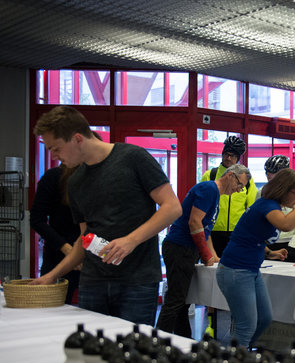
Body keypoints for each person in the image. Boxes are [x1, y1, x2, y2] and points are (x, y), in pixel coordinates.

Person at [31, 106, 182, 324]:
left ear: (77, 138)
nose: (53, 156)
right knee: (93, 352)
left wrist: (130, 241)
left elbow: (172, 207)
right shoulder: (74, 182)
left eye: (55, 148)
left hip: (136, 280)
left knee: (133, 351)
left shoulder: (134, 158)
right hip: (93, 281)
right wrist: (51, 276)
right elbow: (85, 239)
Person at [216, 169, 295, 347]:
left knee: (264, 319)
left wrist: (270, 253)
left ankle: (241, 354)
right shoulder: (267, 205)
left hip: (249, 271)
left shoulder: (270, 206)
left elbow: (253, 236)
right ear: (284, 190)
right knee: (246, 326)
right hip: (236, 270)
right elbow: (286, 225)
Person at [155, 165, 248, 337]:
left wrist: (212, 255)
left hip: (185, 249)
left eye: (242, 187)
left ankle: (183, 339)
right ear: (230, 176)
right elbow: (194, 222)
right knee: (176, 301)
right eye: (239, 184)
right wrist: (206, 254)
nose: (239, 190)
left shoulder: (215, 195)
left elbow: (205, 230)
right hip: (180, 248)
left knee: (182, 301)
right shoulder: (209, 189)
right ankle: (159, 343)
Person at [29, 164, 81, 304]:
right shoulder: (53, 177)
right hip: (57, 256)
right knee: (51, 311)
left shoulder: (97, 178)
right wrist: (67, 249)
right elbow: (36, 220)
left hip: (89, 259)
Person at [200, 136, 256, 257]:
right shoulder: (210, 175)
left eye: (232, 155)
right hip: (212, 231)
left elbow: (251, 208)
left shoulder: (247, 180)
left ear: (238, 158)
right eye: (226, 154)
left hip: (236, 233)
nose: (228, 158)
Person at [262, 155, 295, 263]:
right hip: (268, 246)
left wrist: (292, 246)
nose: (269, 177)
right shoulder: (262, 193)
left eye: (273, 174)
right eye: (267, 173)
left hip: (291, 245)